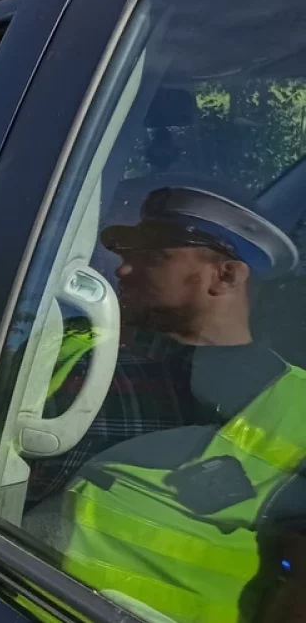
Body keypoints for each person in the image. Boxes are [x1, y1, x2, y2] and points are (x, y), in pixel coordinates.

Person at [40, 187, 306, 623]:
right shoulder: (78, 345)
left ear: (226, 277)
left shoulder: (299, 404)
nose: (123, 268)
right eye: (129, 253)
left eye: (156, 256)